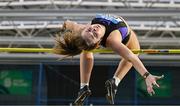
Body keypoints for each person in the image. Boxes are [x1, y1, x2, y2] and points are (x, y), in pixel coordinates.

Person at [53, 14, 164, 105]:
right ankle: (114, 81)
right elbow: (131, 57)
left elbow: (70, 24)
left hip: (101, 32)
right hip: (127, 37)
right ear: (98, 42)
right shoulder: (112, 40)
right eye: (94, 35)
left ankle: (84, 87)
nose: (93, 29)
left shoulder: (82, 29)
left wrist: (64, 25)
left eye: (89, 29)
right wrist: (146, 75)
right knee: (135, 51)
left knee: (85, 45)